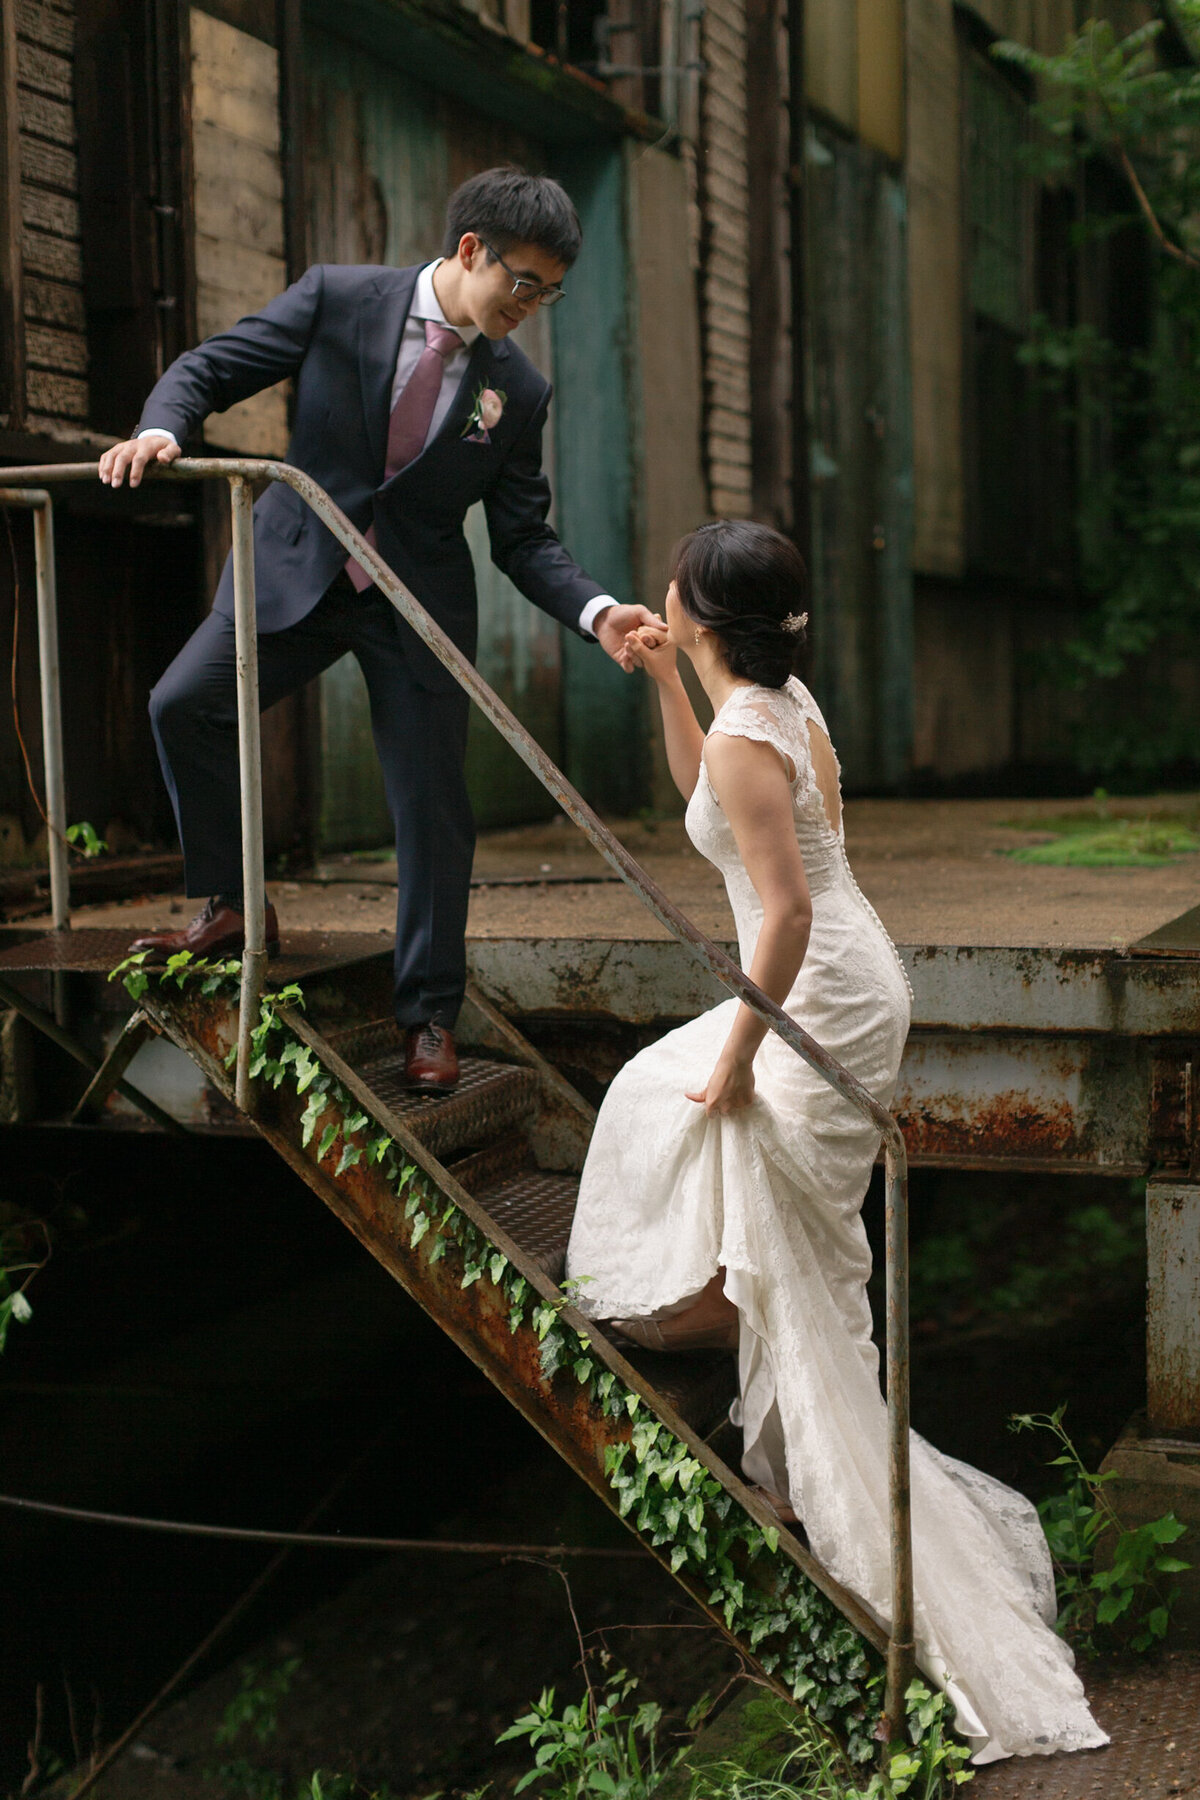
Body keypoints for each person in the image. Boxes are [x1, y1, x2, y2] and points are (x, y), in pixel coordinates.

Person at [564, 520, 1108, 1764]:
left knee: (685, 1103)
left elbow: (789, 910)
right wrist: (662, 679)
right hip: (833, 972)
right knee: (674, 1105)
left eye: (677, 584)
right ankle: (750, 1303)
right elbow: (711, 796)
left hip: (821, 983)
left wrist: (742, 1061)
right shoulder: (766, 702)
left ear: (699, 607)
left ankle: (743, 1317)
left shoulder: (766, 728)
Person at [98, 166, 662, 1094]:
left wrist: (597, 612)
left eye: (550, 293)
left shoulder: (518, 391)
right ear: (470, 250)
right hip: (297, 568)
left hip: (417, 607)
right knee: (184, 704)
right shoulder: (337, 298)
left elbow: (525, 540)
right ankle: (234, 904)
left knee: (432, 806)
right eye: (524, 283)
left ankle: (430, 1017)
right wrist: (165, 429)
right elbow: (209, 368)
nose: (533, 306)